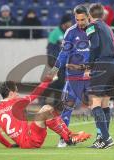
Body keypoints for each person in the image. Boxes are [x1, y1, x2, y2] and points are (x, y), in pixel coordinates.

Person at [0, 79, 91, 149]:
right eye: (16, 91)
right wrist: (48, 80)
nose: (18, 93)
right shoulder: (17, 102)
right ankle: (68, 138)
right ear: (10, 93)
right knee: (47, 110)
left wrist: (9, 145)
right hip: (30, 139)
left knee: (45, 109)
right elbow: (36, 93)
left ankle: (69, 136)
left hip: (25, 140)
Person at [50, 5, 90, 147]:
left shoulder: (95, 30)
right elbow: (64, 53)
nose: (80, 22)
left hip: (92, 75)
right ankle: (64, 138)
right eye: (77, 20)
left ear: (88, 16)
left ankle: (103, 137)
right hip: (74, 76)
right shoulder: (70, 32)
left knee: (99, 106)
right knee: (67, 106)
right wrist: (55, 68)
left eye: (83, 19)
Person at [85, 3, 114, 149]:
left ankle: (106, 138)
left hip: (103, 65)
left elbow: (94, 46)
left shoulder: (92, 26)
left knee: (95, 103)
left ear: (89, 16)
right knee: (105, 103)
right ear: (103, 15)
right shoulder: (108, 28)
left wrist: (90, 66)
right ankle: (102, 139)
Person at [39, 14, 73, 110]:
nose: (70, 24)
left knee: (61, 82)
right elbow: (50, 49)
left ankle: (55, 102)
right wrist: (53, 62)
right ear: (64, 23)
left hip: (64, 61)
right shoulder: (55, 33)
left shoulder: (69, 33)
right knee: (59, 80)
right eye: (69, 22)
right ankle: (44, 96)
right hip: (55, 61)